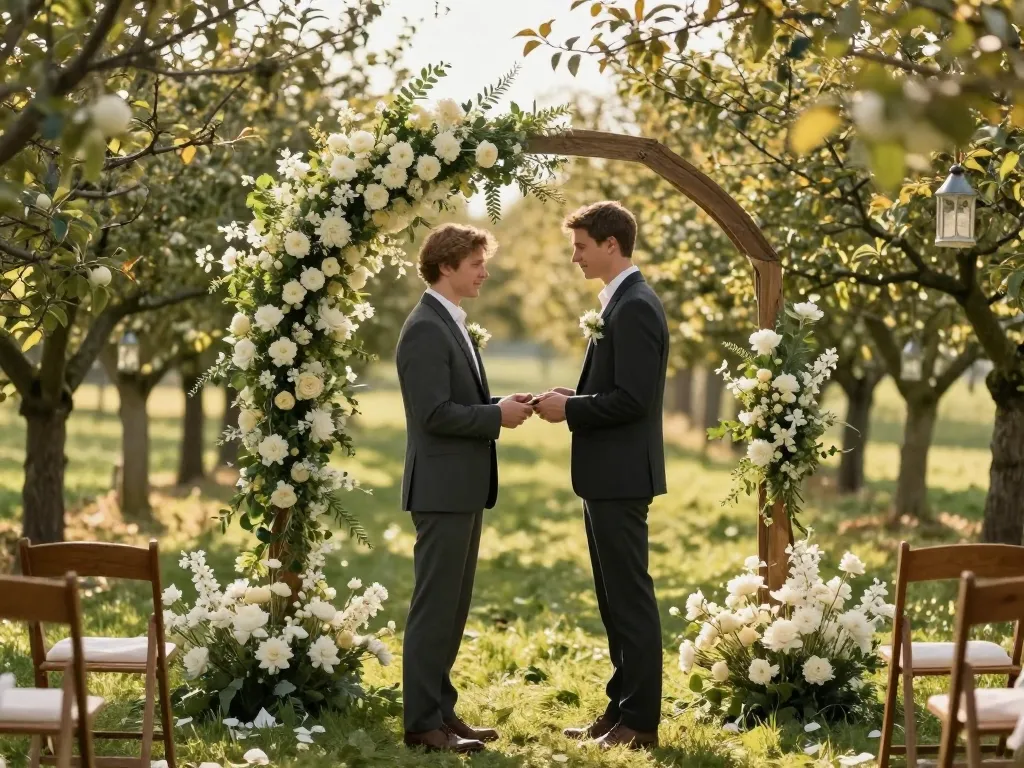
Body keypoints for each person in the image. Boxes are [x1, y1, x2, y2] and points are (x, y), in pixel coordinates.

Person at [533, 200, 669, 750]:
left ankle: (640, 721)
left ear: (612, 244)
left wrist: (573, 410)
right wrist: (575, 396)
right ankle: (619, 710)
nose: (575, 257)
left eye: (582, 246)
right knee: (614, 598)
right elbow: (614, 389)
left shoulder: (634, 306)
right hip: (605, 475)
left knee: (629, 597)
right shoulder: (619, 302)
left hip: (620, 476)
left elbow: (633, 401)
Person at [395, 223, 534, 754]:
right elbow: (432, 414)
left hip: (461, 488)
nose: (485, 271)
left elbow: (457, 399)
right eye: (476, 262)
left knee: (452, 608)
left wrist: (499, 404)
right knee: (435, 608)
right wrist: (494, 416)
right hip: (441, 489)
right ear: (447, 265)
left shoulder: (448, 321)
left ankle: (441, 711)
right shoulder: (426, 327)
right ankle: (421, 725)